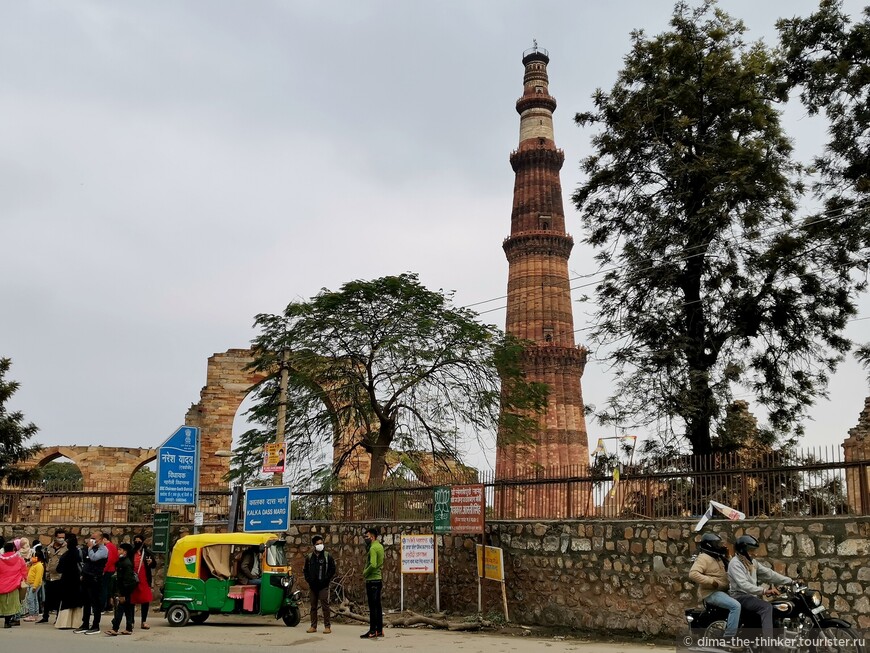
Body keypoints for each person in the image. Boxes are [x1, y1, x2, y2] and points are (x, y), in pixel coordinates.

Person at [728, 534, 793, 639]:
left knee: (777, 608)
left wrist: (790, 581)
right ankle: (768, 642)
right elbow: (744, 585)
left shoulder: (752, 562)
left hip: (750, 596)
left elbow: (769, 574)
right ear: (743, 550)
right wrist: (765, 591)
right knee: (766, 607)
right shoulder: (735, 564)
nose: (754, 553)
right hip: (740, 596)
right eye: (751, 550)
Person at [689, 533, 743, 652]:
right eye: (716, 544)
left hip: (724, 591)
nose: (719, 546)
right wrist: (711, 581)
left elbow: (730, 568)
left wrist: (727, 556)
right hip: (711, 593)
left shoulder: (718, 556)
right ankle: (728, 640)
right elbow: (693, 574)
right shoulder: (704, 557)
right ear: (709, 545)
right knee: (735, 606)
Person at [75, 530, 108, 634]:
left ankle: (95, 625)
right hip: (86, 577)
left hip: (95, 578)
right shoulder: (90, 548)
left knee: (95, 602)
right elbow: (85, 560)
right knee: (86, 601)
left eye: (95, 538)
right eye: (92, 538)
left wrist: (89, 548)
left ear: (101, 539)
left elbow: (94, 558)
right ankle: (85, 623)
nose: (92, 540)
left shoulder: (103, 550)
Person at [303, 535, 336, 634]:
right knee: (313, 606)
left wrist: (326, 580)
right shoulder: (309, 557)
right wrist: (309, 580)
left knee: (325, 605)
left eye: (321, 543)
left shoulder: (327, 556)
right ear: (314, 545)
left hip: (323, 586)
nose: (320, 545)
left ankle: (327, 626)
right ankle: (313, 626)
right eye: (317, 544)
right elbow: (305, 570)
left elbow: (332, 569)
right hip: (313, 586)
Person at [105, 542, 137, 636]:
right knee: (127, 609)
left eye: (120, 549)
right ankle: (128, 628)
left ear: (125, 552)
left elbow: (127, 580)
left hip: (125, 591)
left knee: (120, 609)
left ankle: (115, 628)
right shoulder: (121, 562)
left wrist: (122, 594)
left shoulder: (126, 564)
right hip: (124, 590)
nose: (118, 551)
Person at [54, 533, 83, 630]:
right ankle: (76, 623)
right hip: (76, 579)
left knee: (66, 601)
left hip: (66, 580)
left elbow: (59, 569)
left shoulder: (65, 555)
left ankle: (64, 623)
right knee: (77, 601)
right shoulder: (79, 553)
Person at [360, 527, 384, 639]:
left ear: (372, 537)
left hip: (372, 580)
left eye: (367, 536)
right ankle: (379, 630)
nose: (365, 538)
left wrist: (365, 572)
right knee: (378, 606)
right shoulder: (380, 546)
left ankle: (372, 631)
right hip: (378, 579)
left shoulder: (373, 548)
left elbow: (373, 564)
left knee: (373, 607)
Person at [39, 529, 68, 623]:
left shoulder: (66, 548)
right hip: (49, 575)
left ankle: (58, 618)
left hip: (60, 576)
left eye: (63, 537)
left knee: (59, 597)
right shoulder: (49, 547)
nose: (61, 539)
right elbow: (47, 559)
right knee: (48, 597)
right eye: (59, 537)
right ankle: (45, 616)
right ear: (55, 537)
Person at [129, 534, 157, 630]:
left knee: (145, 600)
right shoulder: (131, 552)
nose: (137, 542)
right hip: (133, 580)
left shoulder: (147, 552)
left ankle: (143, 621)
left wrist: (151, 562)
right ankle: (131, 621)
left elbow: (154, 565)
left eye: (139, 540)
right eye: (135, 540)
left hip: (144, 579)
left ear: (143, 541)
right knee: (131, 601)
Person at [0, 542, 27, 628]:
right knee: (12, 605)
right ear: (13, 549)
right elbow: (24, 572)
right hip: (14, 585)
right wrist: (24, 580)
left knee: (1, 604)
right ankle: (7, 622)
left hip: (1, 585)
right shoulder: (19, 559)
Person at [22, 547, 45, 621]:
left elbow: (38, 577)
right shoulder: (34, 565)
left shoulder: (39, 566)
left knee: (30, 598)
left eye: (34, 557)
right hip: (31, 584)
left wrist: (35, 586)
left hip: (34, 584)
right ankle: (35, 614)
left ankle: (32, 614)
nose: (32, 558)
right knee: (34, 599)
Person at [101, 531, 118, 614]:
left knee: (104, 588)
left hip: (107, 570)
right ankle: (108, 606)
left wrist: (103, 570)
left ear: (104, 539)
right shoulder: (113, 546)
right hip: (111, 569)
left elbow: (109, 560)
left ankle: (103, 607)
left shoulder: (107, 547)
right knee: (108, 589)